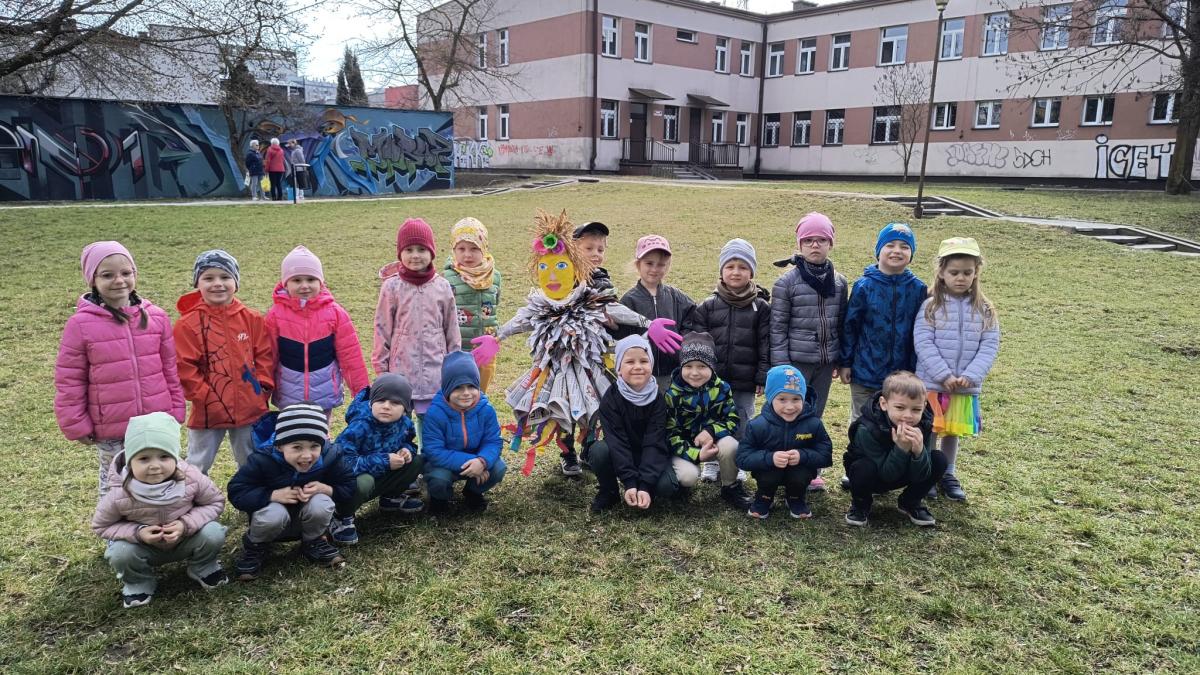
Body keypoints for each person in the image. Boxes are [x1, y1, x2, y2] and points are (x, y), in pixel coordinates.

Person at [55, 241, 186, 497]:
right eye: (107, 275)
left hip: (155, 421)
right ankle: (114, 524)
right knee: (116, 484)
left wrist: (176, 408)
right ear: (92, 280)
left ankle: (161, 520)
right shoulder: (80, 325)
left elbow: (170, 368)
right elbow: (69, 379)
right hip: (112, 427)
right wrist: (75, 423)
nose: (119, 280)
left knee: (161, 477)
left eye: (126, 273)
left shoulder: (157, 317)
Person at [92, 412, 227, 608]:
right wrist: (137, 533)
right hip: (143, 547)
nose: (155, 466)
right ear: (130, 461)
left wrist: (185, 524)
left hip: (186, 539)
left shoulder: (192, 477)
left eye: (164, 456)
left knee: (213, 532)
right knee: (120, 553)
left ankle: (203, 567)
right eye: (144, 458)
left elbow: (215, 502)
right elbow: (102, 526)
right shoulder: (119, 492)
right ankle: (139, 582)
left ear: (175, 457)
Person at [913, 237, 999, 502]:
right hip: (933, 384)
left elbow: (989, 344)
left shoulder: (985, 309)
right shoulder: (930, 306)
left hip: (963, 386)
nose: (960, 278)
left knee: (952, 432)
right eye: (954, 272)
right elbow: (923, 342)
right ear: (941, 272)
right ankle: (927, 472)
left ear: (976, 273)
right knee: (931, 430)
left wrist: (971, 375)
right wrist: (943, 374)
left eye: (967, 272)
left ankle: (948, 473)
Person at [229, 403, 357, 579]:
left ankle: (314, 541)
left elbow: (349, 484)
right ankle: (256, 547)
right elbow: (237, 491)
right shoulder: (262, 459)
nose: (306, 455)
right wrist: (271, 495)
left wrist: (326, 489)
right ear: (279, 446)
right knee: (274, 513)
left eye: (314, 446)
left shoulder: (331, 456)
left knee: (322, 502)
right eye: (297, 447)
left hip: (308, 517)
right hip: (271, 520)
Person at [174, 250, 273, 474]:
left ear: (236, 283)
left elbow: (264, 355)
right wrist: (205, 396)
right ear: (197, 283)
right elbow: (184, 366)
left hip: (250, 407)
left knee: (251, 461)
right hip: (208, 410)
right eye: (208, 278)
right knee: (197, 465)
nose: (217, 283)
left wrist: (262, 388)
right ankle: (191, 495)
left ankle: (251, 495)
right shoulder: (187, 324)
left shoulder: (252, 318)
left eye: (225, 277)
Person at [691, 238, 769, 483]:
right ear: (721, 271)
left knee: (742, 420)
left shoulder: (761, 307)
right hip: (713, 381)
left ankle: (739, 462)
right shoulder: (707, 306)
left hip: (745, 380)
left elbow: (765, 344)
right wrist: (702, 375)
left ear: (751, 272)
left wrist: (761, 376)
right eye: (730, 266)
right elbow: (699, 345)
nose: (736, 272)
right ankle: (711, 462)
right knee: (710, 419)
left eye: (743, 267)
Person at [265, 245, 369, 420]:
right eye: (297, 280)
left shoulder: (335, 314)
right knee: (291, 435)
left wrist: (362, 394)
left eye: (311, 279)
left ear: (320, 282)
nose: (304, 286)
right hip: (288, 396)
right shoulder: (275, 315)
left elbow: (351, 357)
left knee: (320, 434)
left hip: (324, 394)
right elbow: (268, 358)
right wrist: (261, 395)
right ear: (285, 283)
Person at [373, 218, 461, 420]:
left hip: (435, 372)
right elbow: (382, 329)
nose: (415, 255)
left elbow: (452, 328)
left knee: (431, 422)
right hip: (400, 372)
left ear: (431, 252)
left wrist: (454, 364)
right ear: (400, 253)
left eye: (421, 249)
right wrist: (381, 369)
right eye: (409, 250)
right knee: (399, 423)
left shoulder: (442, 286)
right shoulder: (392, 287)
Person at [838, 223, 927, 423]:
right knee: (862, 421)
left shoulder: (918, 289)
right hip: (865, 371)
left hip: (902, 375)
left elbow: (921, 331)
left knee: (895, 421)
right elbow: (850, 327)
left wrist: (916, 368)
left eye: (904, 246)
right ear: (879, 251)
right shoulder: (864, 286)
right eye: (890, 245)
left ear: (911, 254)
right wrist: (845, 363)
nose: (897, 251)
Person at [328, 374, 426, 545]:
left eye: (395, 403)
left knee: (416, 461)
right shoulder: (360, 425)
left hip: (381, 473)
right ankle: (341, 517)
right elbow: (342, 464)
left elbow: (409, 442)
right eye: (380, 400)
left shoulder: (404, 423)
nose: (386, 406)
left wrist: (406, 451)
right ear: (372, 402)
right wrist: (385, 461)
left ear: (405, 408)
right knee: (363, 482)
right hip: (354, 480)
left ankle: (391, 499)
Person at [843, 371, 947, 528]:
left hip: (903, 472)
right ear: (884, 404)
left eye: (916, 409)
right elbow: (887, 475)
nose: (908, 415)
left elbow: (921, 475)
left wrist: (919, 452)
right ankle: (861, 504)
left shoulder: (923, 424)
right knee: (862, 467)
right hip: (874, 477)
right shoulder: (866, 428)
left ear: (924, 406)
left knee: (939, 459)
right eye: (900, 407)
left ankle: (910, 502)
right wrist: (901, 448)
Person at [663, 332, 752, 509]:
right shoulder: (672, 394)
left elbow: (732, 419)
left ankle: (730, 487)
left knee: (731, 446)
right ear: (681, 366)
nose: (695, 372)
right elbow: (670, 434)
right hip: (685, 447)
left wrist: (711, 431)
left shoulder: (722, 388)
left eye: (702, 366)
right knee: (688, 476)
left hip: (713, 442)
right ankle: (681, 486)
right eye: (688, 366)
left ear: (712, 366)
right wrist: (696, 454)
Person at [588, 335, 673, 513]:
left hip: (650, 455)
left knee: (667, 487)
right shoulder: (610, 399)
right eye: (629, 362)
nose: (638, 367)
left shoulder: (659, 399)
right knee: (598, 451)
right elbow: (617, 441)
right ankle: (609, 492)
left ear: (651, 366)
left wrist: (645, 485)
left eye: (644, 361)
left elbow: (655, 442)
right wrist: (630, 482)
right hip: (621, 453)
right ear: (619, 369)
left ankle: (648, 490)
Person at [736, 365, 832, 520]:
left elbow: (825, 455)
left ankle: (796, 497)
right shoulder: (757, 425)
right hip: (768, 471)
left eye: (796, 399)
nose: (790, 406)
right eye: (782, 399)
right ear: (770, 399)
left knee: (800, 475)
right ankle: (764, 497)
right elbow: (742, 458)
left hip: (799, 471)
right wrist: (770, 458)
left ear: (803, 398)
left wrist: (802, 456)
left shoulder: (814, 424)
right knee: (768, 475)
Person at [420, 352, 506, 515]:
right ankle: (439, 499)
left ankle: (473, 492)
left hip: (477, 459)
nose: (466, 393)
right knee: (439, 478)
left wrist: (482, 461)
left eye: (471, 386)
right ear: (447, 388)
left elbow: (493, 441)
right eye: (458, 387)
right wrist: (472, 462)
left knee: (498, 468)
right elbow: (434, 451)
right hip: (444, 464)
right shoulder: (435, 413)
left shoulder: (486, 409)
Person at [620, 234, 695, 388]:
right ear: (638, 264)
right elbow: (621, 334)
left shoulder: (675, 296)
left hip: (674, 373)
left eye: (661, 265)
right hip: (642, 374)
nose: (654, 269)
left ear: (667, 266)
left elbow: (693, 318)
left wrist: (683, 343)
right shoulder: (628, 300)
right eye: (649, 263)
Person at [443, 217, 502, 392]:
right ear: (454, 249)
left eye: (474, 248)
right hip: (459, 348)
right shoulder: (446, 278)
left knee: (480, 392)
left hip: (486, 347)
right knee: (459, 392)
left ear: (484, 248)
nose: (467, 255)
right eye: (461, 249)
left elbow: (495, 303)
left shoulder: (494, 276)